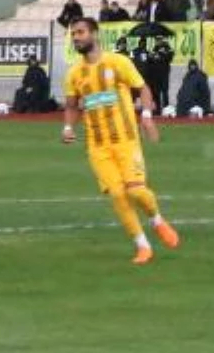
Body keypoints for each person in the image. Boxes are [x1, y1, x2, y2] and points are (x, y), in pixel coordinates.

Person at [62, 18, 180, 265]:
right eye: (73, 34)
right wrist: (68, 127)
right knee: (117, 194)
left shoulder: (118, 63)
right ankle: (143, 247)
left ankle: (157, 220)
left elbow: (143, 89)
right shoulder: (74, 73)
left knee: (135, 190)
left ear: (95, 34)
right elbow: (72, 106)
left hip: (126, 140)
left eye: (80, 32)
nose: (76, 37)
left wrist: (147, 116)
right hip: (97, 146)